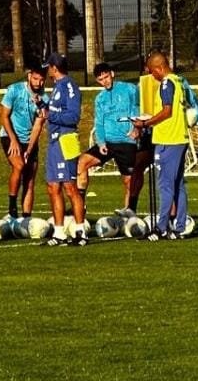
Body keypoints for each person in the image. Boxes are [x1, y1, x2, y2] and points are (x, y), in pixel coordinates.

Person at [131, 49, 189, 240]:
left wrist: (145, 123)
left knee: (165, 185)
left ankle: (162, 227)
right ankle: (179, 227)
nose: (150, 75)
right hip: (179, 137)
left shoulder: (166, 83)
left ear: (159, 68)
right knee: (178, 184)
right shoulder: (178, 81)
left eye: (151, 71)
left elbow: (167, 111)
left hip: (168, 140)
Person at [77, 63, 143, 214]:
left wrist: (137, 128)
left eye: (106, 77)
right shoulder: (100, 99)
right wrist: (100, 142)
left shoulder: (130, 89)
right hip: (107, 143)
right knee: (82, 163)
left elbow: (139, 109)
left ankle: (129, 211)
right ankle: (80, 207)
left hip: (126, 141)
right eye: (100, 79)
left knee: (128, 181)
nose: (104, 81)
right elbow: (99, 122)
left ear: (112, 74)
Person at [43, 53, 88, 245]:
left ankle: (80, 232)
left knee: (70, 187)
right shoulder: (56, 88)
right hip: (54, 141)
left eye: (48, 67)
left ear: (54, 68)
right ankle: (59, 232)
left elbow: (72, 117)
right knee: (53, 187)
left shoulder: (69, 86)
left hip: (66, 140)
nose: (47, 71)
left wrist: (50, 116)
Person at [0, 61, 48, 219]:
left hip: (29, 140)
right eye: (35, 79)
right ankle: (12, 206)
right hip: (9, 135)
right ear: (29, 76)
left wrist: (29, 149)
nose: (38, 83)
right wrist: (13, 140)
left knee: (30, 178)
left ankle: (26, 218)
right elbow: (3, 116)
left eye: (41, 80)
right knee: (19, 166)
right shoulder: (15, 90)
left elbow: (38, 126)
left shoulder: (44, 98)